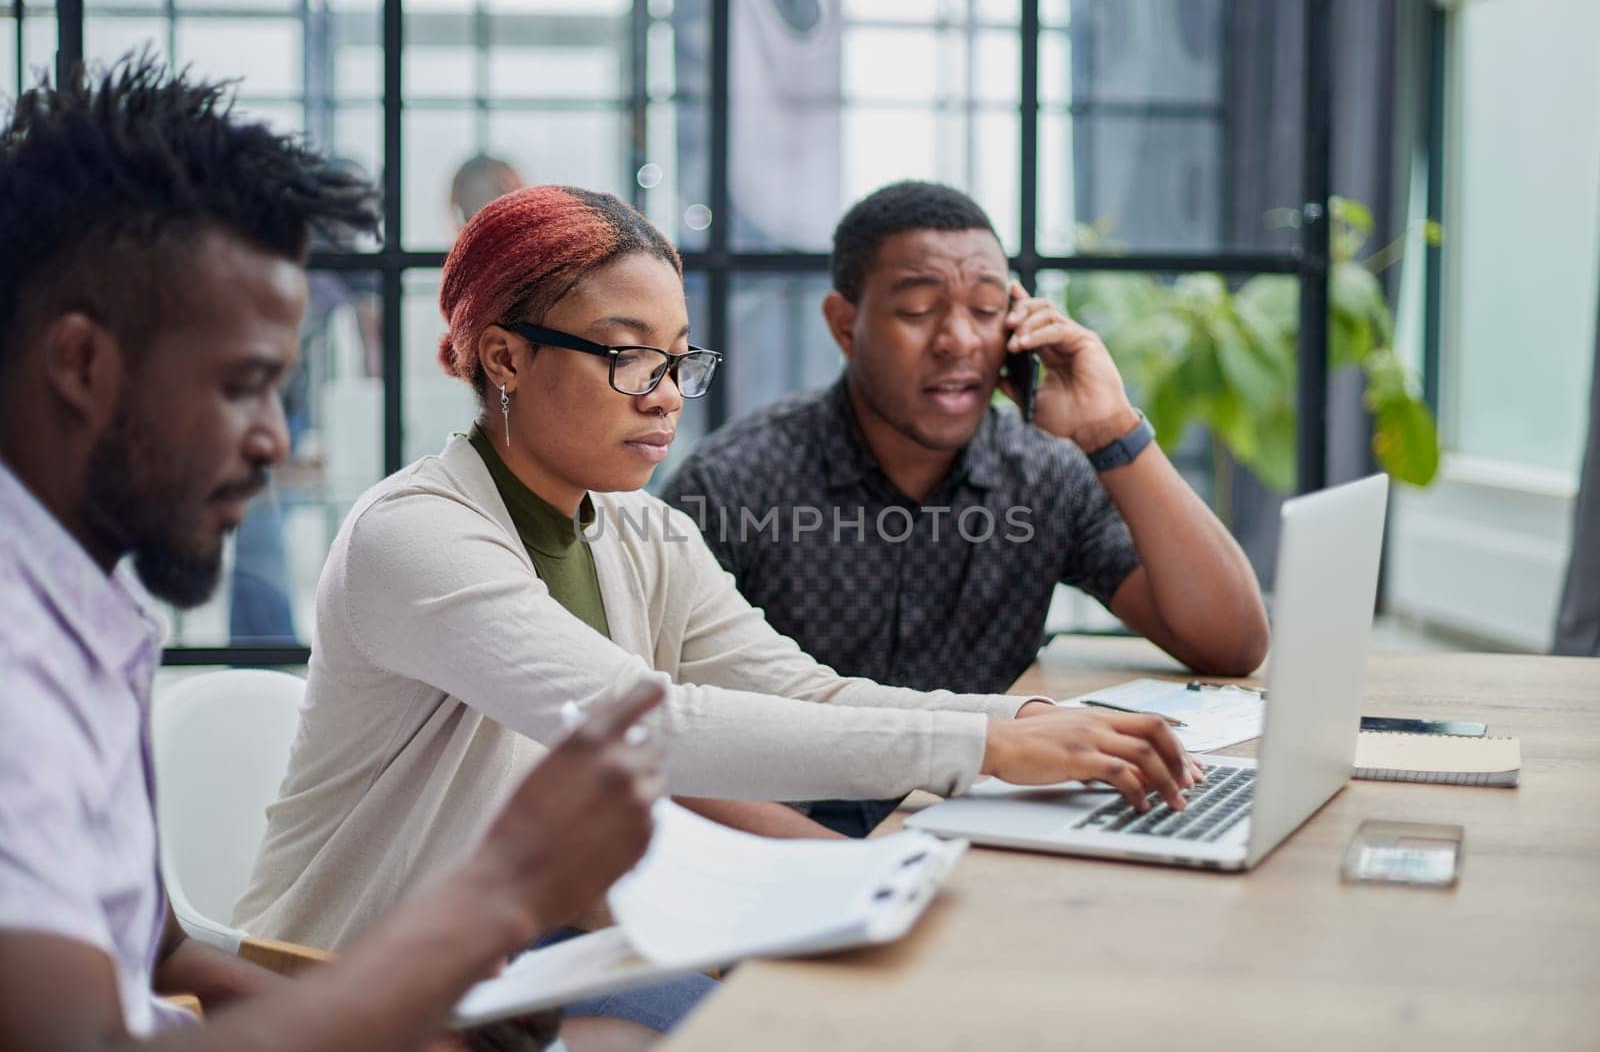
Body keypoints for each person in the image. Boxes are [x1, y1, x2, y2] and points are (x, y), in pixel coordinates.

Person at [235, 183, 1206, 1021]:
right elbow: (651, 730)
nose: (664, 396)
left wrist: (1027, 718)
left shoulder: (640, 532)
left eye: (679, 361)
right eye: (628, 356)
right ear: (504, 357)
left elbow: (804, 693)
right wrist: (985, 746)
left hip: (531, 966)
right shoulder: (416, 535)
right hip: (354, 987)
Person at [0, 56, 665, 1052]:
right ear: (83, 363)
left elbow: (161, 959)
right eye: (242, 385)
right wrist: (492, 899)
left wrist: (411, 1012)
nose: (274, 438)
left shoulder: (82, 613)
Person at [659, 180, 1270, 836]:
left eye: (985, 310)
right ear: (844, 324)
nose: (958, 340)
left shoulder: (1043, 473)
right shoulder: (734, 484)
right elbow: (646, 738)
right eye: (919, 309)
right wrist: (850, 863)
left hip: (986, 817)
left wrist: (1111, 428)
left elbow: (1229, 643)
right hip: (788, 840)